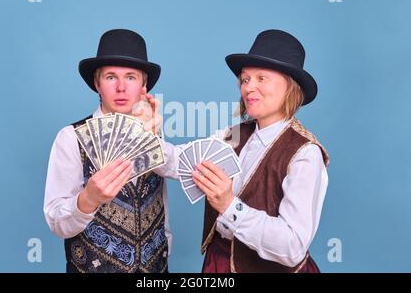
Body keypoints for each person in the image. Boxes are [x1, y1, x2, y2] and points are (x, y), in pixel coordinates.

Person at [154, 29, 329, 272]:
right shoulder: (231, 135)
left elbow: (292, 247)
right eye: (245, 80)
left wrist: (229, 205)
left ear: (290, 87)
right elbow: (178, 161)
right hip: (219, 263)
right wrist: (143, 134)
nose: (248, 88)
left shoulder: (305, 154)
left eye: (261, 78)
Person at [44, 29, 171, 273]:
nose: (121, 87)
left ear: (144, 85)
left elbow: (161, 210)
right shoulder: (70, 138)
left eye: (131, 77)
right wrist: (87, 200)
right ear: (97, 83)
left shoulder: (154, 136)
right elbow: (57, 222)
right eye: (111, 77)